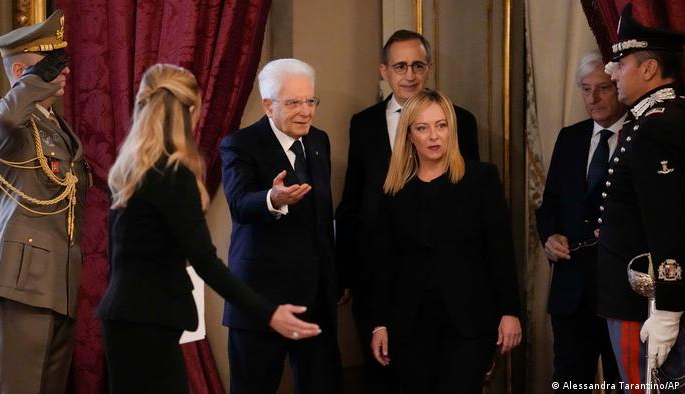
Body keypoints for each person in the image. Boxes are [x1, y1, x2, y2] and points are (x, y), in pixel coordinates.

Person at [96, 64, 322, 394]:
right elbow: (205, 261)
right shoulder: (173, 174)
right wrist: (268, 313)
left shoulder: (130, 169)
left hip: (122, 317)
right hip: (152, 320)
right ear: (190, 110)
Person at [335, 29, 479, 394]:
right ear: (384, 71)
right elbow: (351, 201)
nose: (409, 75)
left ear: (429, 68)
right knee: (380, 375)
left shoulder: (461, 120)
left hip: (442, 278)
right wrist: (343, 272)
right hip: (376, 273)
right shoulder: (364, 124)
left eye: (417, 65)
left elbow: (472, 205)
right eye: (400, 66)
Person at [369, 89, 521, 394]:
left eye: (441, 125)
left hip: (469, 318)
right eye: (422, 128)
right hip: (410, 322)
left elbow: (500, 250)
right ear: (409, 135)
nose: (433, 136)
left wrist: (510, 311)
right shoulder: (393, 189)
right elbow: (383, 263)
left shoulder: (481, 178)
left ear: (452, 128)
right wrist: (379, 323)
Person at [220, 58, 342, 394]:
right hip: (261, 299)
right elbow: (240, 204)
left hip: (314, 299)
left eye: (310, 101)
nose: (306, 111)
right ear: (268, 105)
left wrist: (335, 279)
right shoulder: (240, 144)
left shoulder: (319, 141)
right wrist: (273, 198)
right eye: (294, 103)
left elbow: (321, 221)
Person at [0, 10, 90, 394]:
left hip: (58, 283)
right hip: (21, 284)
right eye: (49, 65)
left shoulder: (54, 126)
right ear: (20, 74)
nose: (62, 72)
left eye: (60, 63)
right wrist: (32, 83)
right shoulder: (6, 121)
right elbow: (9, 118)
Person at [599, 3, 685, 390]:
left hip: (644, 304)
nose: (611, 72)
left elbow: (668, 221)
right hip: (635, 299)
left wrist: (668, 307)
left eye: (621, 63)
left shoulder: (657, 126)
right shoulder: (653, 118)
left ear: (649, 69)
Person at [535, 50, 625, 391]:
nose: (594, 98)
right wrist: (550, 236)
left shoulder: (641, 135)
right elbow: (550, 205)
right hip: (571, 291)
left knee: (624, 382)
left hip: (621, 292)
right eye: (586, 89)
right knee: (570, 383)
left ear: (618, 87)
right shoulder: (570, 138)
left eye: (602, 88)